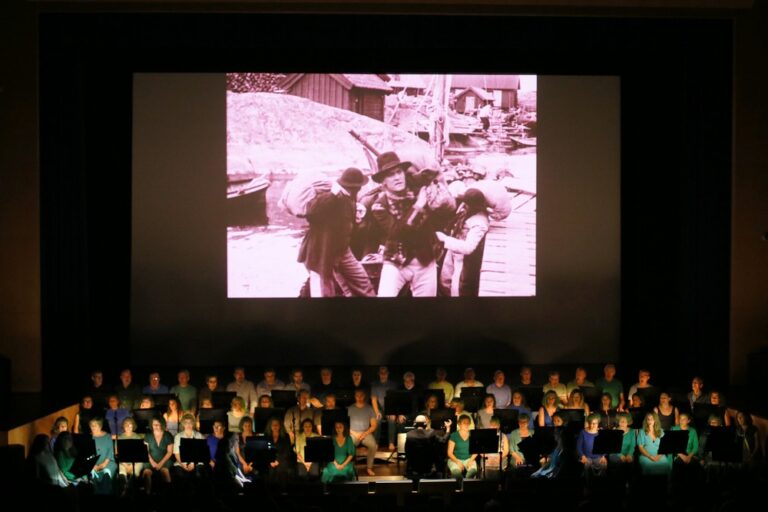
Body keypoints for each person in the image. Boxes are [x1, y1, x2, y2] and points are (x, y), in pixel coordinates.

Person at [359, 151, 454, 297]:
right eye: (390, 175)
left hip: (425, 260)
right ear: (383, 182)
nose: (397, 177)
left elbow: (444, 214)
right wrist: (418, 206)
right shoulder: (379, 205)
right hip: (396, 260)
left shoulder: (419, 191)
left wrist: (435, 187)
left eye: (399, 172)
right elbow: (398, 233)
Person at [298, 167, 375, 297]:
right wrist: (333, 195)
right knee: (324, 292)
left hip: (342, 251)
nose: (360, 189)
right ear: (353, 187)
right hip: (320, 252)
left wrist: (356, 219)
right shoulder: (329, 197)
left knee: (362, 281)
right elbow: (311, 213)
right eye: (358, 187)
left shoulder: (350, 199)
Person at [436, 187, 490, 296]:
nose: (464, 206)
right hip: (454, 250)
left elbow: (468, 248)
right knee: (444, 281)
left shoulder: (479, 222)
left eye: (466, 204)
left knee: (458, 288)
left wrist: (444, 239)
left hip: (465, 259)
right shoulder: (468, 212)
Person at [405, 414, 449, 479]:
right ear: (425, 424)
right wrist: (448, 429)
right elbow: (443, 441)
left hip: (414, 468)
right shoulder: (431, 433)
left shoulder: (409, 434)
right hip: (428, 469)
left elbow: (407, 452)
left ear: (415, 424)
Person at [347, 388, 378, 476]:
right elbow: (345, 425)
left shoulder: (369, 408)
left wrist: (365, 433)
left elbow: (374, 425)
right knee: (349, 445)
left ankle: (369, 467)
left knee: (373, 445)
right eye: (357, 396)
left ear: (364, 396)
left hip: (365, 433)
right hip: (353, 433)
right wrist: (354, 433)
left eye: (361, 396)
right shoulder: (350, 409)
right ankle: (351, 467)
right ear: (355, 397)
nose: (359, 397)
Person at [143, 416, 174, 495]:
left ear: (162, 424)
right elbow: (146, 451)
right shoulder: (148, 435)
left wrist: (160, 464)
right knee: (147, 472)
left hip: (165, 459)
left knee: (165, 471)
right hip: (150, 459)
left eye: (158, 424)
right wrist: (152, 462)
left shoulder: (168, 435)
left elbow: (170, 452)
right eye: (154, 424)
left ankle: (167, 494)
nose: (156, 426)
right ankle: (147, 494)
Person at [370, 366, 398, 450]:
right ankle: (376, 442)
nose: (383, 375)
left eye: (385, 373)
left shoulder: (393, 385)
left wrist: (392, 411)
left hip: (390, 407)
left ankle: (391, 443)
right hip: (379, 407)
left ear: (388, 374)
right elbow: (374, 400)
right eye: (381, 373)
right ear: (379, 374)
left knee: (392, 419)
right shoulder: (374, 385)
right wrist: (377, 412)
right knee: (377, 419)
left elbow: (394, 399)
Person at [90, 417, 118, 494]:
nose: (92, 427)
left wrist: (103, 465)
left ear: (100, 426)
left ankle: (106, 494)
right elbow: (87, 453)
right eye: (91, 425)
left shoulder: (107, 436)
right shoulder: (89, 437)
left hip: (108, 463)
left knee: (106, 476)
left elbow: (110, 452)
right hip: (93, 464)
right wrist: (93, 465)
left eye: (95, 425)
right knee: (92, 476)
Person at [117, 416, 144, 494]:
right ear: (123, 426)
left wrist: (133, 465)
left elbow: (140, 453)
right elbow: (117, 453)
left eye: (130, 425)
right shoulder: (120, 437)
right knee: (122, 474)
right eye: (126, 425)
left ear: (133, 426)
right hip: (123, 462)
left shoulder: (137, 437)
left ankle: (128, 491)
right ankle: (124, 490)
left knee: (135, 473)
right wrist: (125, 465)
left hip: (136, 462)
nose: (128, 427)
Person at [265, 417, 295, 488]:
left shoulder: (286, 436)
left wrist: (278, 461)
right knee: (269, 471)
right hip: (269, 460)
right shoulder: (266, 436)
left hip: (282, 459)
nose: (275, 426)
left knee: (281, 470)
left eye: (277, 424)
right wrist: (271, 461)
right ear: (270, 426)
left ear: (280, 426)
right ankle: (270, 490)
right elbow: (265, 450)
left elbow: (287, 451)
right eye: (273, 424)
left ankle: (283, 490)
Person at [577, 414, 607, 481]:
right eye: (590, 423)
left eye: (594, 423)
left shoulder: (601, 433)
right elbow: (578, 446)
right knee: (586, 465)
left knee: (604, 464)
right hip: (586, 456)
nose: (592, 425)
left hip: (598, 456)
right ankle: (587, 482)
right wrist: (582, 456)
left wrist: (603, 456)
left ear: (598, 423)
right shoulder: (583, 432)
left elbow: (604, 446)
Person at [447, 415, 478, 479]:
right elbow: (449, 453)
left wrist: (471, 460)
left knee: (472, 471)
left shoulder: (472, 434)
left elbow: (476, 451)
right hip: (455, 459)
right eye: (464, 423)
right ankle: (460, 482)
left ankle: (466, 482)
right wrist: (457, 462)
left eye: (468, 423)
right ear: (459, 424)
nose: (466, 425)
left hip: (469, 459)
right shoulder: (454, 435)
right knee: (456, 473)